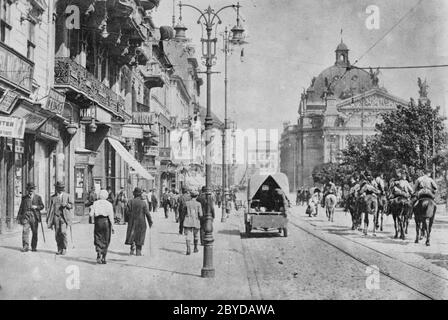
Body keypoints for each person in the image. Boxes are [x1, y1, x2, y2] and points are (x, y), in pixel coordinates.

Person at [124, 187, 153, 256]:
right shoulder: (143, 203)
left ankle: (132, 247)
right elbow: (147, 213)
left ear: (134, 194)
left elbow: (127, 212)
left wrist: (127, 220)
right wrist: (150, 222)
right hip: (141, 222)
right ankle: (138, 251)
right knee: (140, 236)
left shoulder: (130, 202)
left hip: (132, 221)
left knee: (132, 233)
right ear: (140, 194)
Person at [47, 181, 73, 255]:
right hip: (56, 217)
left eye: (62, 188)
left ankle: (64, 248)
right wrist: (49, 220)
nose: (60, 189)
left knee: (63, 232)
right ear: (56, 188)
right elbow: (50, 209)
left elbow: (71, 206)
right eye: (59, 188)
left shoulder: (67, 196)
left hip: (64, 218)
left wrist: (66, 205)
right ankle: (59, 248)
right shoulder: (53, 197)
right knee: (57, 233)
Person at [17, 182, 44, 252]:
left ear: (34, 189)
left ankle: (34, 247)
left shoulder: (38, 197)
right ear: (27, 190)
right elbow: (21, 208)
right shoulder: (24, 198)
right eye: (29, 189)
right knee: (25, 231)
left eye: (32, 189)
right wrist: (19, 217)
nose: (31, 190)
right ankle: (25, 246)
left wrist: (36, 207)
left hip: (34, 217)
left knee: (34, 232)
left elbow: (42, 206)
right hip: (26, 216)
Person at [89, 189, 115, 264]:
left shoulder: (95, 203)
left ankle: (98, 253)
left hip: (98, 221)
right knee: (106, 239)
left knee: (98, 237)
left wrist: (92, 209)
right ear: (106, 196)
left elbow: (91, 214)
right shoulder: (109, 204)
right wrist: (112, 226)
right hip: (106, 222)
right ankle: (104, 257)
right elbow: (111, 216)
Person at [183, 190, 203, 255]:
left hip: (188, 220)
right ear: (196, 196)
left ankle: (188, 249)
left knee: (188, 236)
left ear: (191, 196)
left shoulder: (187, 203)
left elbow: (183, 211)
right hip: (195, 221)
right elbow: (200, 214)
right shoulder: (198, 204)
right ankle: (195, 248)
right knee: (196, 235)